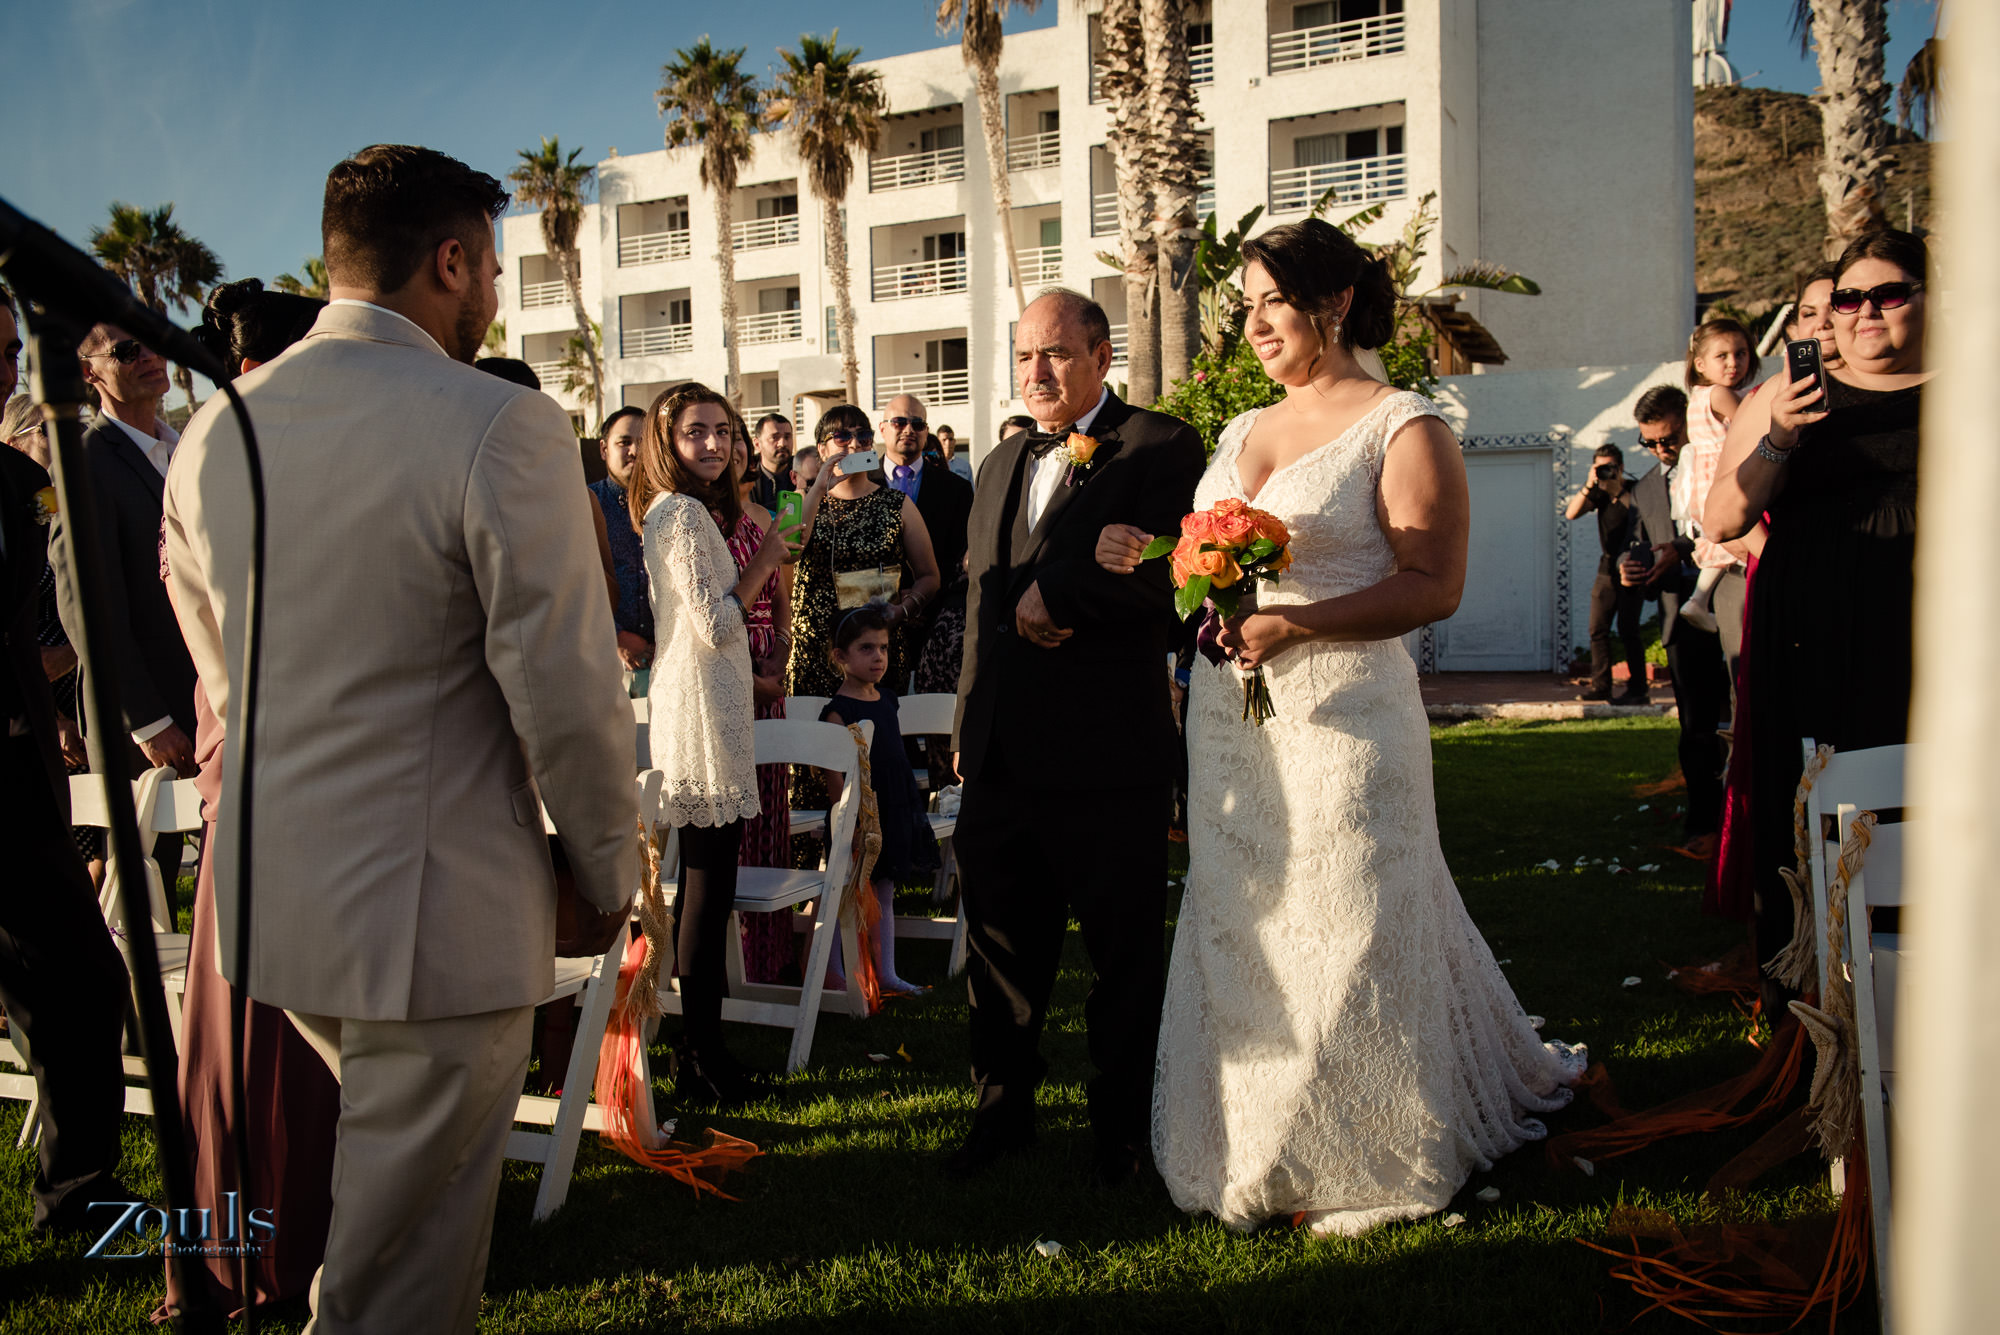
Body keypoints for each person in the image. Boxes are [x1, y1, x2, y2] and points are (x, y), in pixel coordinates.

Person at [164, 144, 638, 1334]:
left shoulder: (215, 431)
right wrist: (604, 873)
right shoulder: (497, 423)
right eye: (493, 267)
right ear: (451, 261)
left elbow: (221, 672)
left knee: (384, 1228)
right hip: (438, 922)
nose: (497, 294)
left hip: (280, 906)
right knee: (401, 1280)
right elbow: (565, 688)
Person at [1095, 217, 1583, 1233]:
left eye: (1272, 301)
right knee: (1248, 929)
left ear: (1335, 303)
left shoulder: (1403, 426)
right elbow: (1209, 563)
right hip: (1233, 723)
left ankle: (1368, 1148)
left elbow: (1432, 585)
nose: (1253, 324)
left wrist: (1296, 624)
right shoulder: (1242, 429)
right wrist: (1168, 563)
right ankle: (1250, 1143)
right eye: (1246, 306)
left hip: (1347, 718)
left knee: (1353, 922)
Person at [948, 287, 1206, 1185]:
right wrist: (967, 721)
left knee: (1122, 956)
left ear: (1101, 355)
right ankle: (1000, 1115)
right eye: (1025, 354)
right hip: (1000, 757)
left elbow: (1177, 582)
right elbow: (981, 604)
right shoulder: (999, 461)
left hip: (1106, 756)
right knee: (997, 953)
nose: (1037, 371)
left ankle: (1124, 1130)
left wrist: (1061, 591)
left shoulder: (1160, 446)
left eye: (1055, 353)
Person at [154, 278, 342, 1316]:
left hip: (242, 744)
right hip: (288, 752)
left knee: (236, 1012)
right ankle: (280, 1249)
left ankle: (232, 1249)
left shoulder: (203, 442)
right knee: (280, 1009)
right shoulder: (268, 445)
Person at [1703, 228, 1929, 1012]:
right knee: (1822, 804)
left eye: (1889, 293)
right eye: (1849, 298)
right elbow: (1723, 516)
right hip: (1816, 637)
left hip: (1936, 634)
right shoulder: (1784, 394)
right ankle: (1821, 1009)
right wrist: (1780, 437)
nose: (1866, 311)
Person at [631, 382, 816, 1103]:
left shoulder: (688, 510)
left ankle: (702, 1053)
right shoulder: (678, 513)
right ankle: (701, 1060)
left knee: (710, 890)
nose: (713, 444)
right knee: (707, 895)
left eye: (721, 430)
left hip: (711, 701)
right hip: (702, 711)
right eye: (695, 432)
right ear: (666, 442)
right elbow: (716, 623)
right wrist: (765, 559)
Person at [1, 398, 133, 1241]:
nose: (7, 364)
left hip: (19, 777)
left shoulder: (21, 485)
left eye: (9, 347)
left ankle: (79, 1189)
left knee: (85, 981)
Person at [49, 321, 201, 896]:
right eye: (127, 350)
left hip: (207, 698)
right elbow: (88, 606)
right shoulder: (84, 462)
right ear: (89, 372)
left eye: (153, 341)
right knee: (143, 884)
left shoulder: (186, 447)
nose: (149, 356)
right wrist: (149, 721)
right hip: (143, 724)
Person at [1625, 385, 1732, 858]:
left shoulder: (1721, 460)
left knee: (1743, 718)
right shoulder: (1646, 486)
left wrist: (1682, 551)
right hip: (1679, 620)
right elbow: (1638, 543)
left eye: (1668, 439)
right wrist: (1630, 568)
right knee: (1696, 729)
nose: (1660, 450)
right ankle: (1703, 821)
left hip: (1730, 604)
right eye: (1649, 443)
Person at [5, 396, 102, 886]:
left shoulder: (62, 497)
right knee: (77, 850)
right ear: (14, 441)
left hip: (87, 694)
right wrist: (56, 715)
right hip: (43, 703)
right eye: (47, 431)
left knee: (109, 842)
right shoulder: (24, 507)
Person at [783, 405, 940, 708]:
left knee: (876, 734)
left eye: (863, 437)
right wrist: (819, 489)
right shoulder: (798, 502)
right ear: (822, 449)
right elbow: (788, 553)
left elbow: (930, 576)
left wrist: (903, 611)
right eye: (842, 437)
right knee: (812, 735)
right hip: (813, 651)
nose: (854, 444)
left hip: (873, 652)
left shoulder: (897, 504)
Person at [817, 607, 929, 997]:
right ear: (840, 656)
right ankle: (832, 972)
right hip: (858, 816)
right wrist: (846, 822)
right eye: (866, 648)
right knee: (845, 892)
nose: (878, 656)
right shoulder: (838, 712)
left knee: (885, 891)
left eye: (883, 647)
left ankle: (887, 973)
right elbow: (833, 772)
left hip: (892, 809)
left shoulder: (889, 700)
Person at [727, 408, 800, 984]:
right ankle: (730, 957)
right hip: (723, 673)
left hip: (769, 671)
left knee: (770, 809)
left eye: (734, 437)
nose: (730, 449)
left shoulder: (767, 516)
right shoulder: (697, 521)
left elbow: (782, 596)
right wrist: (746, 677)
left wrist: (780, 650)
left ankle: (770, 956)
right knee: (731, 817)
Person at [1674, 318, 1759, 677]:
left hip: (1705, 479)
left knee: (1717, 548)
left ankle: (1699, 598)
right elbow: (1750, 426)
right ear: (1700, 364)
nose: (1733, 363)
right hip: (1724, 474)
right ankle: (1700, 599)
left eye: (1740, 353)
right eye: (1722, 355)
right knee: (1739, 535)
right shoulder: (1721, 394)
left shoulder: (1695, 397)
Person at [881, 393, 972, 681]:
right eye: (899, 422)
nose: (909, 429)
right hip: (871, 627)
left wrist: (919, 601)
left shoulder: (956, 489)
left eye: (918, 424)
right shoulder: (860, 484)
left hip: (934, 625)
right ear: (882, 429)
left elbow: (962, 556)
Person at [1565, 443, 1648, 703]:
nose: (1607, 472)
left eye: (1610, 467)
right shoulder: (1598, 493)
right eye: (1601, 468)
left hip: (1632, 565)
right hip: (1607, 566)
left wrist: (1618, 491)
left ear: (1621, 467)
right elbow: (1571, 513)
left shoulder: (1635, 490)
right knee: (1597, 628)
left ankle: (1638, 690)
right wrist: (1589, 484)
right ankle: (1601, 687)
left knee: (1628, 629)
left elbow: (1643, 516)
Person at [589, 406, 655, 693]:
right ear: (604, 449)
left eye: (642, 443)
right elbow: (573, 582)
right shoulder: (585, 503)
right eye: (624, 442)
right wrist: (614, 636)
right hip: (604, 661)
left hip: (668, 661)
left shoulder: (672, 505)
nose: (634, 451)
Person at [749, 412, 796, 509]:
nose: (782, 443)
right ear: (757, 444)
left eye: (787, 437)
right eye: (774, 437)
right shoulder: (744, 479)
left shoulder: (804, 474)